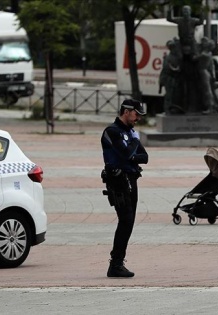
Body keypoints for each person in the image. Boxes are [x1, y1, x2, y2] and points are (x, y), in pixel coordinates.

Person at [101, 99, 149, 278]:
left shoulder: (130, 133)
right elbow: (126, 153)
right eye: (136, 114)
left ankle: (117, 263)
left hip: (131, 179)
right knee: (126, 220)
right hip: (118, 181)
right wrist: (134, 145)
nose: (138, 118)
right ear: (127, 111)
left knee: (129, 221)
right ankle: (115, 264)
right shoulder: (111, 132)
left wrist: (132, 153)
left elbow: (145, 157)